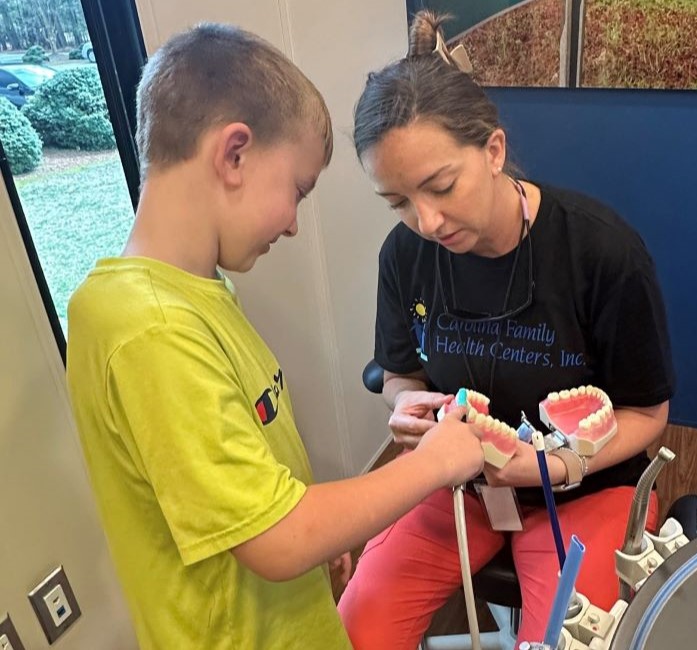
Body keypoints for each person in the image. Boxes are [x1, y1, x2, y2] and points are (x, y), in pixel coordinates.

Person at [65, 23, 484, 649]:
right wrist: (437, 461)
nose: (292, 224)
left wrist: (321, 524)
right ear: (234, 154)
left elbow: (248, 485)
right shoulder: (150, 330)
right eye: (297, 191)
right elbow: (276, 539)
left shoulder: (198, 296)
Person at [338, 10, 676, 647]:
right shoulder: (404, 256)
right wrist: (408, 403)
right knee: (353, 633)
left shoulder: (601, 253)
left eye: (442, 186)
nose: (428, 222)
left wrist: (558, 466)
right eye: (399, 202)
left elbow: (649, 413)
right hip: (457, 486)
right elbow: (399, 373)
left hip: (585, 489)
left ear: (492, 150)